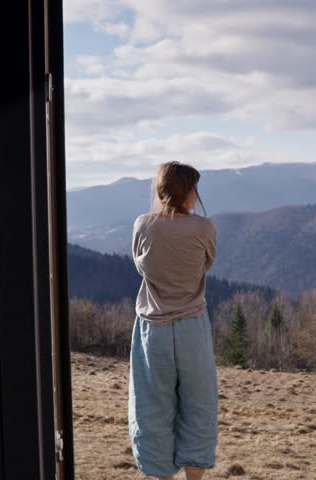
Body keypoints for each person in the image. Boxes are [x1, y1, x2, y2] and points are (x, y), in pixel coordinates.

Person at [128, 161, 219, 480]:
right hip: (192, 326)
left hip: (153, 327)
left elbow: (140, 267)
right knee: (199, 404)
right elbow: (207, 263)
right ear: (187, 190)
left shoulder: (143, 225)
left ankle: (161, 475)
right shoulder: (204, 228)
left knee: (152, 406)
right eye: (194, 187)